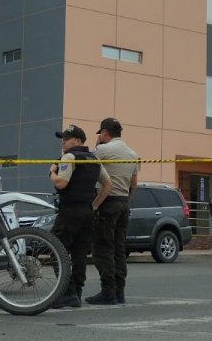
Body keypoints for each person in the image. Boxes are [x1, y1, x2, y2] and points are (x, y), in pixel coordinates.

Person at [49, 124, 111, 308]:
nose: (63, 142)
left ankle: (66, 293)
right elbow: (108, 185)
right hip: (87, 212)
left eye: (66, 139)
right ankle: (76, 292)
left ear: (77, 141)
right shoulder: (94, 159)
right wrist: (94, 205)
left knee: (55, 249)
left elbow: (61, 183)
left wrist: (52, 171)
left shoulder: (69, 157)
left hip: (69, 211)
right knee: (79, 254)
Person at [87, 118, 138, 305]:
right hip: (124, 203)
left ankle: (108, 292)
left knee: (103, 248)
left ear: (104, 132)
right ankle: (119, 292)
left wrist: (97, 145)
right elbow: (134, 184)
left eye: (101, 133)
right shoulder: (133, 153)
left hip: (107, 203)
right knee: (119, 249)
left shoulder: (103, 150)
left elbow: (89, 164)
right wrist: (126, 201)